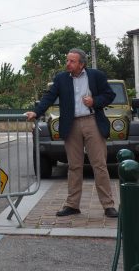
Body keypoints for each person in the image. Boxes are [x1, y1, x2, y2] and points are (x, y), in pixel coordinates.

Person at [25, 48, 119, 218]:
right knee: (74, 166)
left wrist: (95, 101)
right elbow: (49, 96)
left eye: (72, 61)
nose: (67, 64)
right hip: (71, 125)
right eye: (67, 60)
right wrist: (36, 112)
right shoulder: (61, 78)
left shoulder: (96, 76)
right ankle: (72, 205)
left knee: (99, 165)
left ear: (81, 64)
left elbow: (109, 95)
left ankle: (108, 206)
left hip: (92, 122)